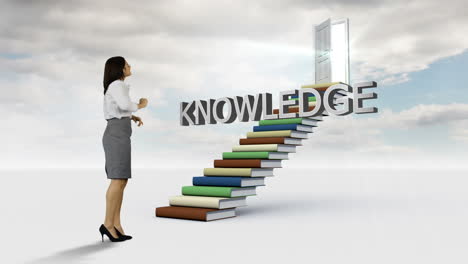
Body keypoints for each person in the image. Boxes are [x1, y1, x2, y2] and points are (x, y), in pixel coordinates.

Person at [99, 56, 148, 242]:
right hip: (116, 135)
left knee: (122, 180)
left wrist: (132, 118)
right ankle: (107, 224)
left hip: (119, 132)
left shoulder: (116, 87)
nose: (130, 66)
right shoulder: (117, 85)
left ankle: (116, 224)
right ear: (119, 69)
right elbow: (126, 105)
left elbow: (118, 110)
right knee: (117, 180)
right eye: (127, 64)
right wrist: (142, 104)